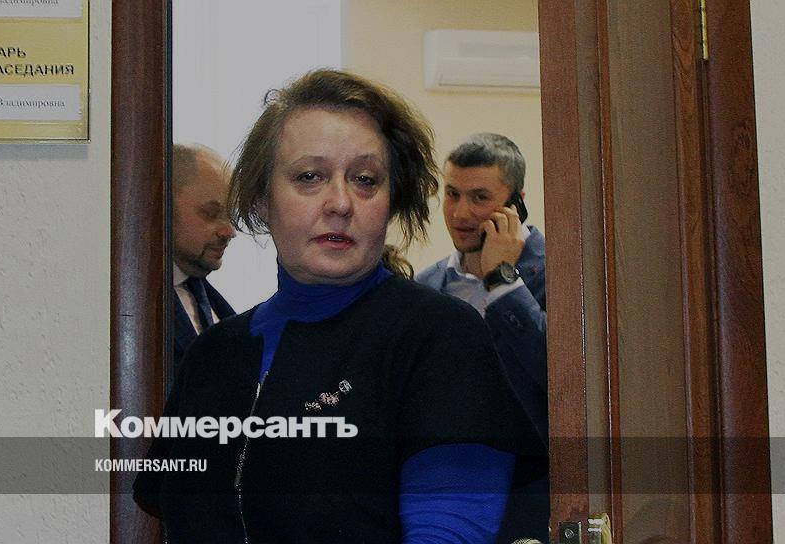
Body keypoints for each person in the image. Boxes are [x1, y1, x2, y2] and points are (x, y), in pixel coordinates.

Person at [136, 69, 544, 543]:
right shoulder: (213, 355)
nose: (340, 203)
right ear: (262, 199)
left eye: (365, 180)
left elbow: (449, 530)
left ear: (391, 201)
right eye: (309, 177)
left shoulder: (440, 336)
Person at [415, 133, 548, 542]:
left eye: (479, 198)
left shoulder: (560, 271)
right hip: (448, 500)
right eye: (452, 194)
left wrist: (502, 281)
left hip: (531, 500)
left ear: (516, 204)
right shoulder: (427, 285)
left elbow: (562, 375)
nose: (460, 213)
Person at [169, 143, 236, 392]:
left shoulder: (214, 304)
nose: (229, 231)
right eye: (211, 213)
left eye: (231, 216)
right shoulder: (128, 306)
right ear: (164, 205)